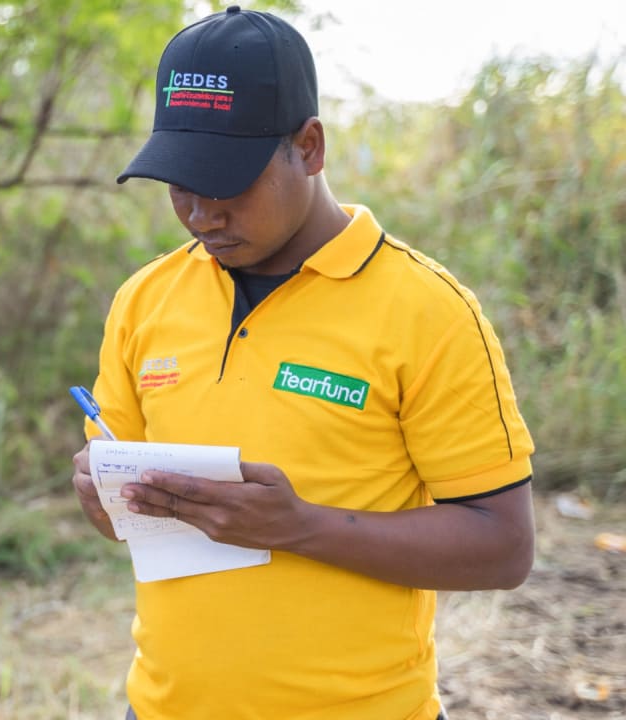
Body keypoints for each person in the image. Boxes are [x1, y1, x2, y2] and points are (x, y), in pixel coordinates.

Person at [70, 7, 536, 720]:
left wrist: (295, 526)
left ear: (309, 147)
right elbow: (124, 516)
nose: (199, 213)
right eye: (178, 182)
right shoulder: (145, 300)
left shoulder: (428, 311)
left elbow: (503, 548)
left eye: (224, 182)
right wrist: (104, 497)